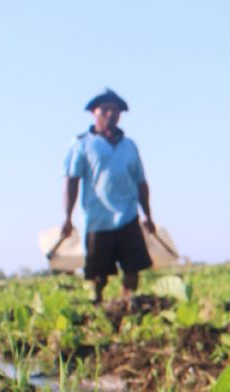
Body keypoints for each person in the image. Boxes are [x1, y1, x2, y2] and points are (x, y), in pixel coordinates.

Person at [61, 88, 155, 307]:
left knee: (133, 269)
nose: (110, 114)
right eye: (105, 110)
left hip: (128, 216)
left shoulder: (129, 146)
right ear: (95, 113)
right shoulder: (82, 144)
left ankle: (125, 304)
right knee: (98, 275)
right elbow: (71, 181)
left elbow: (141, 183)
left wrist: (148, 216)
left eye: (115, 110)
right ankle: (97, 306)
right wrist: (67, 217)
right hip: (98, 219)